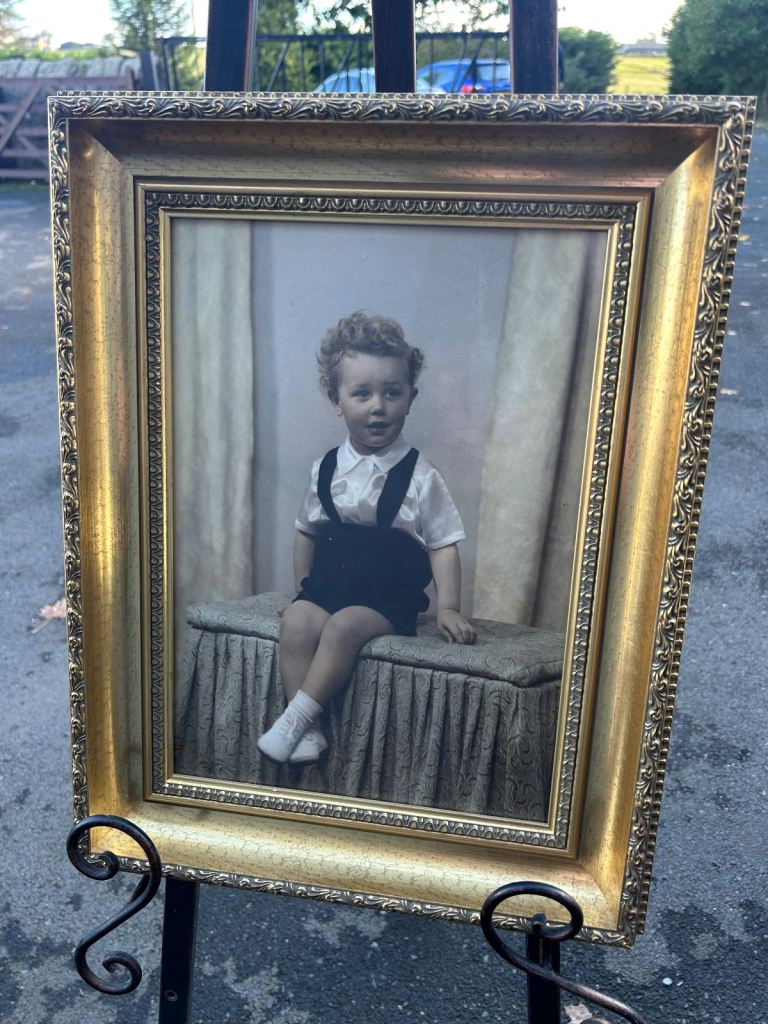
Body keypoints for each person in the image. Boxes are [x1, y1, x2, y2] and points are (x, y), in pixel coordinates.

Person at [257, 311, 476, 765]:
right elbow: (306, 533)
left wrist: (449, 606)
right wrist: (303, 592)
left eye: (391, 393)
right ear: (336, 399)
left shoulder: (420, 474)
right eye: (361, 393)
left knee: (342, 627)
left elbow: (443, 543)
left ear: (411, 398)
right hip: (331, 584)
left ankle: (294, 718)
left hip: (384, 597)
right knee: (297, 623)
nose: (377, 406)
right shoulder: (326, 468)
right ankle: (310, 732)